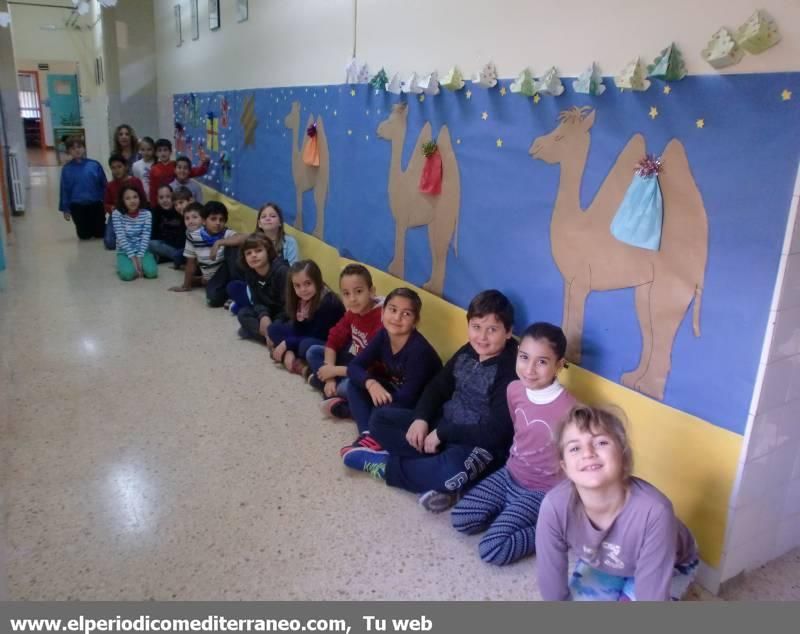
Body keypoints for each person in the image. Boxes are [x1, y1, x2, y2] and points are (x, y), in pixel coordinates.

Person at [341, 290, 517, 513]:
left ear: (508, 332)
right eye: (476, 327)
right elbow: (438, 386)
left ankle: (386, 466)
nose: (482, 337)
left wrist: (443, 434)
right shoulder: (468, 351)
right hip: (442, 425)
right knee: (380, 419)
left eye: (492, 330)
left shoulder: (511, 370)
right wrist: (421, 418)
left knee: (450, 469)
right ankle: (435, 478)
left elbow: (496, 432)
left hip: (475, 444)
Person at [535, 405, 699, 601]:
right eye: (575, 448)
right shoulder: (554, 506)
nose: (587, 453)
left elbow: (652, 598)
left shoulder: (655, 511)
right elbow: (551, 580)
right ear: (565, 467)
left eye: (601, 442)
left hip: (672, 565)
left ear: (622, 454)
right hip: (606, 563)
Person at [451, 322, 577, 565]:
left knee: (492, 550)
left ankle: (557, 531)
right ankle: (512, 511)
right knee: (461, 519)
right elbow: (519, 431)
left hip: (542, 490)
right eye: (524, 357)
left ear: (559, 366)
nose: (529, 369)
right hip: (510, 475)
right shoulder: (514, 390)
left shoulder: (571, 409)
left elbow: (577, 462)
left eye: (541, 361)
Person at [339, 288, 442, 440]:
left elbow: (407, 399)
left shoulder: (419, 351)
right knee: (353, 385)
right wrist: (371, 384)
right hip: (396, 392)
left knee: (380, 414)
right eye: (392, 310)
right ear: (382, 313)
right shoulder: (383, 335)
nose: (397, 317)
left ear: (415, 322)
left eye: (406, 314)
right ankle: (367, 435)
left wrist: (379, 400)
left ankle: (356, 414)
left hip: (419, 409)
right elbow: (354, 366)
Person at [306, 264, 383, 416]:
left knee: (348, 387)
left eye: (359, 291)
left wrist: (333, 371)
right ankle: (329, 388)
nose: (352, 299)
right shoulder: (352, 312)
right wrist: (330, 378)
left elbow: (370, 366)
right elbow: (333, 339)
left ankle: (341, 401)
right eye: (346, 294)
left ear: (372, 291)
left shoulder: (381, 319)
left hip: (371, 375)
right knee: (312, 351)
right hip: (352, 363)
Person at [266, 260, 345, 376]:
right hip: (307, 335)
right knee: (273, 328)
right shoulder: (301, 299)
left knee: (305, 346)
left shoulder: (328, 303)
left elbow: (317, 336)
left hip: (326, 343)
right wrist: (289, 348)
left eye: (308, 283)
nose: (302, 289)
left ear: (317, 281)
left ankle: (297, 360)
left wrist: (286, 344)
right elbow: (298, 328)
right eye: (297, 285)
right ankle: (292, 356)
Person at [170, 201, 245, 306]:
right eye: (213, 219)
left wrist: (219, 242)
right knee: (213, 299)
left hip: (227, 272)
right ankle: (233, 293)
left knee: (233, 246)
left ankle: (239, 290)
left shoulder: (226, 233)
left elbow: (245, 238)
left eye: (221, 220)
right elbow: (190, 263)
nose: (218, 223)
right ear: (204, 221)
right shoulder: (193, 236)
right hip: (213, 279)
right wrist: (186, 285)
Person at [230, 233, 289, 342]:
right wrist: (264, 316)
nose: (253, 255)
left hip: (284, 314)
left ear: (268, 252)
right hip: (268, 312)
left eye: (258, 251)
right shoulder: (249, 272)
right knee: (243, 314)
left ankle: (265, 335)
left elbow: (289, 306)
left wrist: (274, 323)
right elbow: (256, 300)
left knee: (280, 327)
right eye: (248, 253)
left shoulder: (282, 271)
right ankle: (270, 337)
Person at [58, 137, 107, 240]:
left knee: (100, 233)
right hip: (77, 206)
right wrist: (66, 209)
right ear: (68, 151)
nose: (77, 150)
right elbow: (64, 190)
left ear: (84, 148)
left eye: (79, 147)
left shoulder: (94, 165)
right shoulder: (66, 169)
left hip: (95, 203)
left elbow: (104, 184)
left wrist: (106, 202)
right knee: (84, 236)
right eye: (73, 148)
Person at [111, 185, 157, 282]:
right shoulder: (117, 214)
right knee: (128, 275)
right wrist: (132, 257)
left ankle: (146, 261)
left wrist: (139, 257)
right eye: (128, 198)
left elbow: (146, 236)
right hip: (124, 252)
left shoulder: (147, 214)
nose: (132, 201)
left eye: (135, 197)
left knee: (152, 273)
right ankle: (123, 265)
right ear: (122, 201)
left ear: (140, 197)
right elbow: (121, 237)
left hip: (142, 250)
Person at [103, 153, 147, 251]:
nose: (117, 170)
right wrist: (112, 208)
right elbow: (106, 203)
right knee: (110, 243)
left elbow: (143, 200)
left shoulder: (135, 181)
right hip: (118, 216)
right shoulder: (110, 185)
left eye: (119, 166)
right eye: (113, 168)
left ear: (126, 167)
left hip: (135, 215)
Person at [149, 138, 209, 207]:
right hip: (162, 203)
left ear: (170, 151)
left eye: (165, 150)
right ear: (156, 153)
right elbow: (153, 190)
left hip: (177, 201)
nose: (163, 153)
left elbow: (195, 171)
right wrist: (154, 206)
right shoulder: (154, 169)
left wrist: (205, 162)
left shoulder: (178, 166)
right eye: (160, 150)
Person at [149, 185, 186, 267]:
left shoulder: (178, 209)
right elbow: (153, 233)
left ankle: (168, 258)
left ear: (173, 196)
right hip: (164, 244)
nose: (165, 200)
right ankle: (177, 257)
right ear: (157, 199)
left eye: (168, 197)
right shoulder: (156, 211)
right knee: (149, 244)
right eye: (161, 198)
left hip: (180, 245)